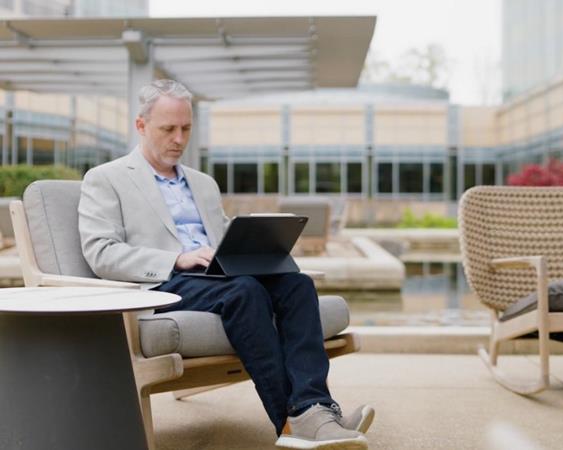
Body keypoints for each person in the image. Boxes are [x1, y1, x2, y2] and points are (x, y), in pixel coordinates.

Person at [78, 79, 374, 449]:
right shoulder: (106, 179)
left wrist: (254, 249)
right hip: (165, 281)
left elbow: (220, 244)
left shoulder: (202, 183)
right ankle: (290, 421)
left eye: (186, 128)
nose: (179, 138)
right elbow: (101, 252)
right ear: (141, 126)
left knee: (296, 283)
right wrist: (177, 258)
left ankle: (314, 409)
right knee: (244, 292)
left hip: (218, 275)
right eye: (168, 129)